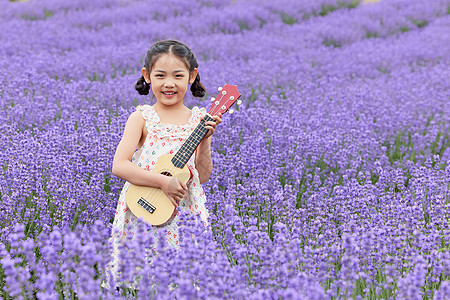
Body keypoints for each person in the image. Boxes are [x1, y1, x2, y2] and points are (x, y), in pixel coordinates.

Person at [108, 40, 222, 284]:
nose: (169, 83)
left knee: (185, 279)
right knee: (139, 277)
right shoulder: (141, 117)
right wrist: (162, 182)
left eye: (178, 76)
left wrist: (206, 141)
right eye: (160, 75)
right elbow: (119, 165)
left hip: (184, 210)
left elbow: (201, 176)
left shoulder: (199, 120)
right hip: (142, 207)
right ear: (147, 76)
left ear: (192, 76)